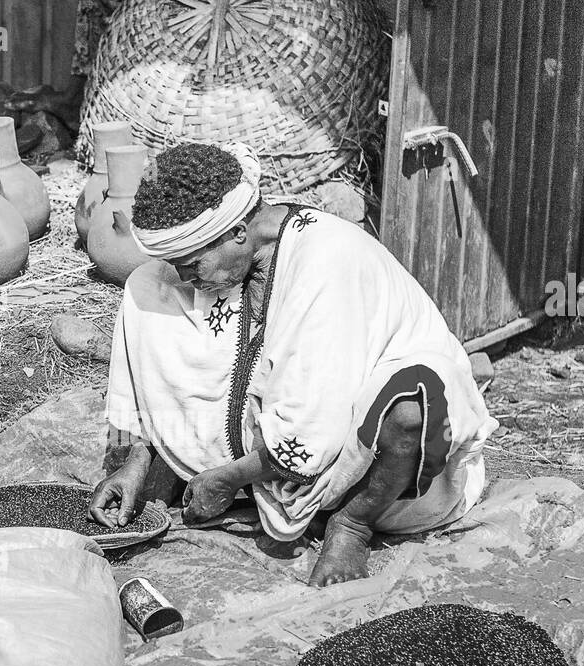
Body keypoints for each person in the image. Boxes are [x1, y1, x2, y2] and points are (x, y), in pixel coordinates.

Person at [89, 141, 499, 587]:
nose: (186, 276)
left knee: (409, 409)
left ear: (237, 233)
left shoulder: (327, 260)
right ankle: (188, 462)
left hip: (379, 456)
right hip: (282, 437)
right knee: (147, 285)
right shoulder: (234, 259)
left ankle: (353, 524)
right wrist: (139, 459)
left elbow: (314, 421)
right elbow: (218, 364)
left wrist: (228, 479)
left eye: (191, 263)